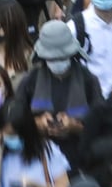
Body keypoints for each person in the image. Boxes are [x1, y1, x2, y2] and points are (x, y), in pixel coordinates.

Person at [14, 20, 103, 171]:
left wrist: (75, 126)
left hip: (78, 156)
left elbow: (101, 122)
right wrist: (36, 123)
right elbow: (15, 117)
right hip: (39, 154)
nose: (56, 62)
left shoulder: (88, 79)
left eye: (61, 58)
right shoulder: (30, 80)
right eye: (51, 59)